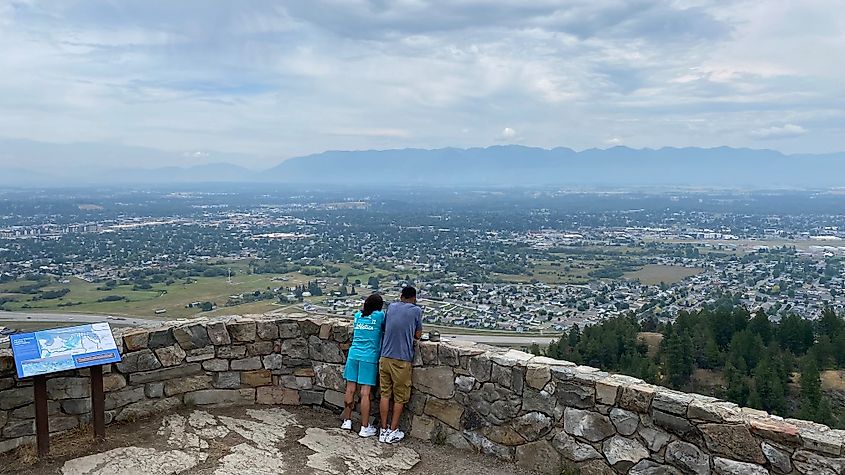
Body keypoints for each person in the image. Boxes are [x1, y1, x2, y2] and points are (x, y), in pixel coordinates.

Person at [378, 286, 422, 444]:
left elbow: (384, 327)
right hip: (402, 359)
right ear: (414, 298)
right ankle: (393, 430)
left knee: (385, 394)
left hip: (384, 357)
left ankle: (383, 429)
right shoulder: (416, 310)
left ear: (401, 296)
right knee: (400, 397)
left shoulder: (391, 306)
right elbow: (418, 334)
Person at [341, 293, 385, 437]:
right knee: (365, 392)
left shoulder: (357, 316)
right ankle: (364, 427)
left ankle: (347, 421)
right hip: (369, 357)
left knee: (350, 389)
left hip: (353, 355)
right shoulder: (379, 316)